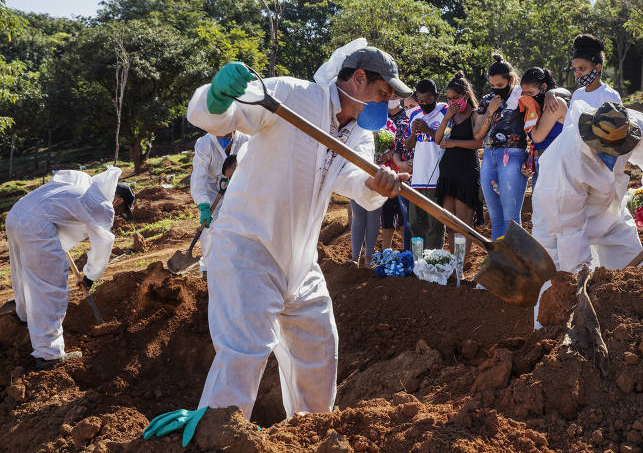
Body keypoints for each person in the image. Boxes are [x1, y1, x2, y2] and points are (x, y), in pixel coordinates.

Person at [144, 39, 411, 446]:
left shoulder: (357, 132)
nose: (387, 102)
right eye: (383, 92)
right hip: (247, 246)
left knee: (320, 352)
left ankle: (312, 436)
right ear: (358, 79)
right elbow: (220, 116)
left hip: (300, 260)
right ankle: (214, 438)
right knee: (245, 350)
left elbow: (355, 182)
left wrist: (377, 183)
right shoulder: (290, 95)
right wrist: (215, 94)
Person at [531, 101, 643, 326]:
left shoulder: (632, 128)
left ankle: (633, 329)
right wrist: (581, 285)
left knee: (632, 273)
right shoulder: (568, 159)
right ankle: (552, 342)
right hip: (557, 220)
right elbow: (569, 232)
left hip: (609, 209)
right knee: (559, 283)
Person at [6, 166, 134, 369]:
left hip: (16, 215)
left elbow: (59, 210)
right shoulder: (103, 205)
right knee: (51, 288)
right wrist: (90, 277)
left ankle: (24, 318)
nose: (118, 215)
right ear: (118, 200)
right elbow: (103, 244)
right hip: (38, 226)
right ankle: (49, 355)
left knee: (23, 275)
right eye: (121, 211)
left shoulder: (82, 183)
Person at [474, 55, 568, 241]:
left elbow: (556, 89)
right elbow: (477, 134)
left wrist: (551, 93)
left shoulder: (523, 93)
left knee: (511, 218)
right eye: (492, 85)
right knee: (494, 216)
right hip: (489, 155)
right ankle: (500, 260)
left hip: (513, 155)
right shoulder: (488, 100)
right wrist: (490, 111)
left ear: (511, 80)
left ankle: (515, 260)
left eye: (500, 85)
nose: (495, 89)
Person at [434, 71, 482, 260]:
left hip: (465, 172)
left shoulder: (474, 115)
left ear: (466, 96)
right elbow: (438, 139)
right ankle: (453, 263)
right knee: (451, 224)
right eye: (449, 98)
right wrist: (447, 117)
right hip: (448, 174)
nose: (452, 101)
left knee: (463, 225)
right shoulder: (450, 117)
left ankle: (461, 265)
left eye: (455, 98)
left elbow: (478, 143)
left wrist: (454, 143)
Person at [191, 130, 248, 280]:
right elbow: (199, 178)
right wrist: (203, 204)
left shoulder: (245, 141)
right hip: (211, 189)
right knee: (209, 229)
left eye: (229, 132)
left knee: (239, 226)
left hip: (238, 186)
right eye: (221, 132)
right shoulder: (205, 144)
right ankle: (208, 269)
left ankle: (237, 266)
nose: (225, 136)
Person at [405, 79, 447, 249]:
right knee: (415, 224)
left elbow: (445, 140)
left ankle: (433, 264)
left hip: (437, 176)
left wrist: (428, 130)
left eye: (428, 100)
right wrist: (414, 133)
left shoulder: (444, 112)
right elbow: (408, 145)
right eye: (421, 101)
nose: (424, 104)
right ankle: (417, 265)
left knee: (434, 224)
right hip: (418, 178)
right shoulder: (415, 114)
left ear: (436, 96)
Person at [519, 67, 569, 191]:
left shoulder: (555, 103)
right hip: (540, 164)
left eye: (530, 93)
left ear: (543, 87)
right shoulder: (538, 108)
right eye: (524, 94)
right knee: (539, 208)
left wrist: (529, 110)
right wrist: (529, 160)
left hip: (556, 165)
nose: (526, 97)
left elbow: (537, 137)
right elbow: (535, 143)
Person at [564, 34, 621, 129]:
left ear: (598, 67)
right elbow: (568, 125)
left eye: (582, 68)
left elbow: (618, 127)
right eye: (574, 69)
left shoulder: (609, 95)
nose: (577, 74)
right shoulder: (577, 94)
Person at [380, 98, 413, 251]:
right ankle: (386, 253)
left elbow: (401, 146)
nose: (390, 100)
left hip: (405, 174)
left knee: (403, 217)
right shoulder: (381, 117)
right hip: (385, 172)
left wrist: (394, 156)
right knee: (387, 216)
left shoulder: (407, 117)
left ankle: (406, 251)